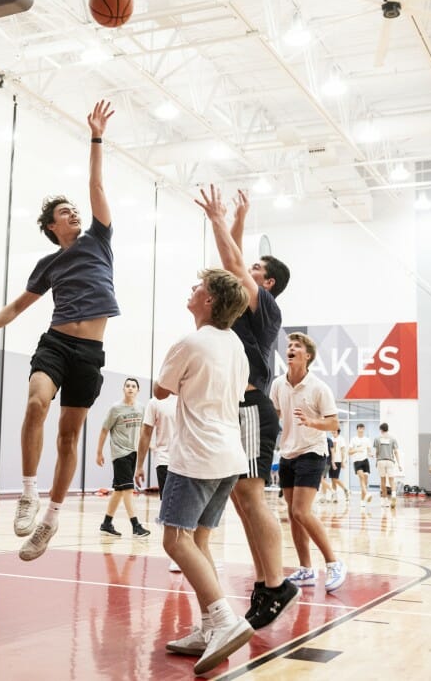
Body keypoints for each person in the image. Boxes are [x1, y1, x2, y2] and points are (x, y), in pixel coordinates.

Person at [0, 100, 118, 562]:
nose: (74, 212)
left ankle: (51, 519)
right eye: (64, 212)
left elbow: (95, 183)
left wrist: (96, 137)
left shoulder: (99, 239)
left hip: (90, 352)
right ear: (52, 228)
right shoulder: (48, 263)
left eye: (75, 209)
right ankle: (28, 493)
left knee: (68, 437)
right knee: (36, 402)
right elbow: (19, 305)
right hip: (55, 341)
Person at [154, 268, 268, 674]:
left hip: (196, 456)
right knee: (199, 541)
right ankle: (206, 628)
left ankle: (223, 619)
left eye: (198, 287)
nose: (192, 288)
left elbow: (160, 390)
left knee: (175, 540)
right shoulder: (236, 344)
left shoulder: (190, 342)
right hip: (229, 457)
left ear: (210, 301)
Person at [195, 185, 292, 631]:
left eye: (257, 269)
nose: (246, 267)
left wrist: (218, 217)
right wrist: (235, 220)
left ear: (266, 284)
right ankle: (264, 583)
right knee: (240, 498)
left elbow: (234, 265)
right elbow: (236, 264)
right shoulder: (247, 309)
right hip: (236, 409)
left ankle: (276, 584)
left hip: (252, 407)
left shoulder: (266, 308)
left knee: (251, 496)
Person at [277, 332, 346, 593]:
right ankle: (306, 569)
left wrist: (311, 422)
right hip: (287, 454)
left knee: (301, 512)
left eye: (297, 346)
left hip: (312, 452)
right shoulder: (278, 385)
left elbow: (333, 423)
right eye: (290, 346)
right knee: (294, 517)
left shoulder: (319, 387)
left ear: (307, 356)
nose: (291, 349)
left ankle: (334, 562)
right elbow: (274, 415)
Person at [96, 377, 149, 538]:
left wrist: (145, 448)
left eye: (133, 386)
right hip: (120, 454)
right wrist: (99, 452)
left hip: (133, 453)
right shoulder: (115, 408)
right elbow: (104, 430)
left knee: (119, 491)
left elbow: (142, 432)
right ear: (123, 389)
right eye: (127, 386)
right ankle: (136, 526)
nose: (130, 388)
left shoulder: (141, 408)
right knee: (127, 489)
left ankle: (106, 523)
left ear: (138, 390)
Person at [136, 393, 178, 569]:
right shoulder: (155, 402)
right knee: (171, 507)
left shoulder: (189, 397)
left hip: (189, 460)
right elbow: (145, 434)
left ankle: (166, 522)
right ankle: (176, 556)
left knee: (183, 510)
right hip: (165, 460)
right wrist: (139, 465)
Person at [373, 423, 400, 509]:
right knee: (391, 480)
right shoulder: (392, 438)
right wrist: (399, 464)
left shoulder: (377, 438)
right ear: (387, 429)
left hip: (381, 461)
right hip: (390, 461)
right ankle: (394, 495)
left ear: (381, 429)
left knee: (383, 480)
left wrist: (376, 460)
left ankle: (385, 501)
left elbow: (376, 452)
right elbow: (396, 452)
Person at [349, 423, 374, 505]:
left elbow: (369, 451)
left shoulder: (367, 439)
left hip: (365, 461)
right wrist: (357, 450)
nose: (361, 430)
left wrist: (371, 454)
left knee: (365, 481)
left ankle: (362, 501)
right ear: (357, 429)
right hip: (357, 461)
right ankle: (367, 494)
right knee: (361, 477)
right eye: (359, 428)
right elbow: (349, 452)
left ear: (364, 429)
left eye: (362, 428)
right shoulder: (353, 439)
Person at [328, 429, 348, 502]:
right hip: (331, 461)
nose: (333, 431)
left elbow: (343, 451)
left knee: (335, 478)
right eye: (332, 430)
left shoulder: (341, 439)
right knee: (333, 479)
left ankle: (345, 489)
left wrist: (343, 461)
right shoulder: (330, 439)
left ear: (338, 431)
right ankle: (335, 496)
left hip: (338, 461)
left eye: (334, 430)